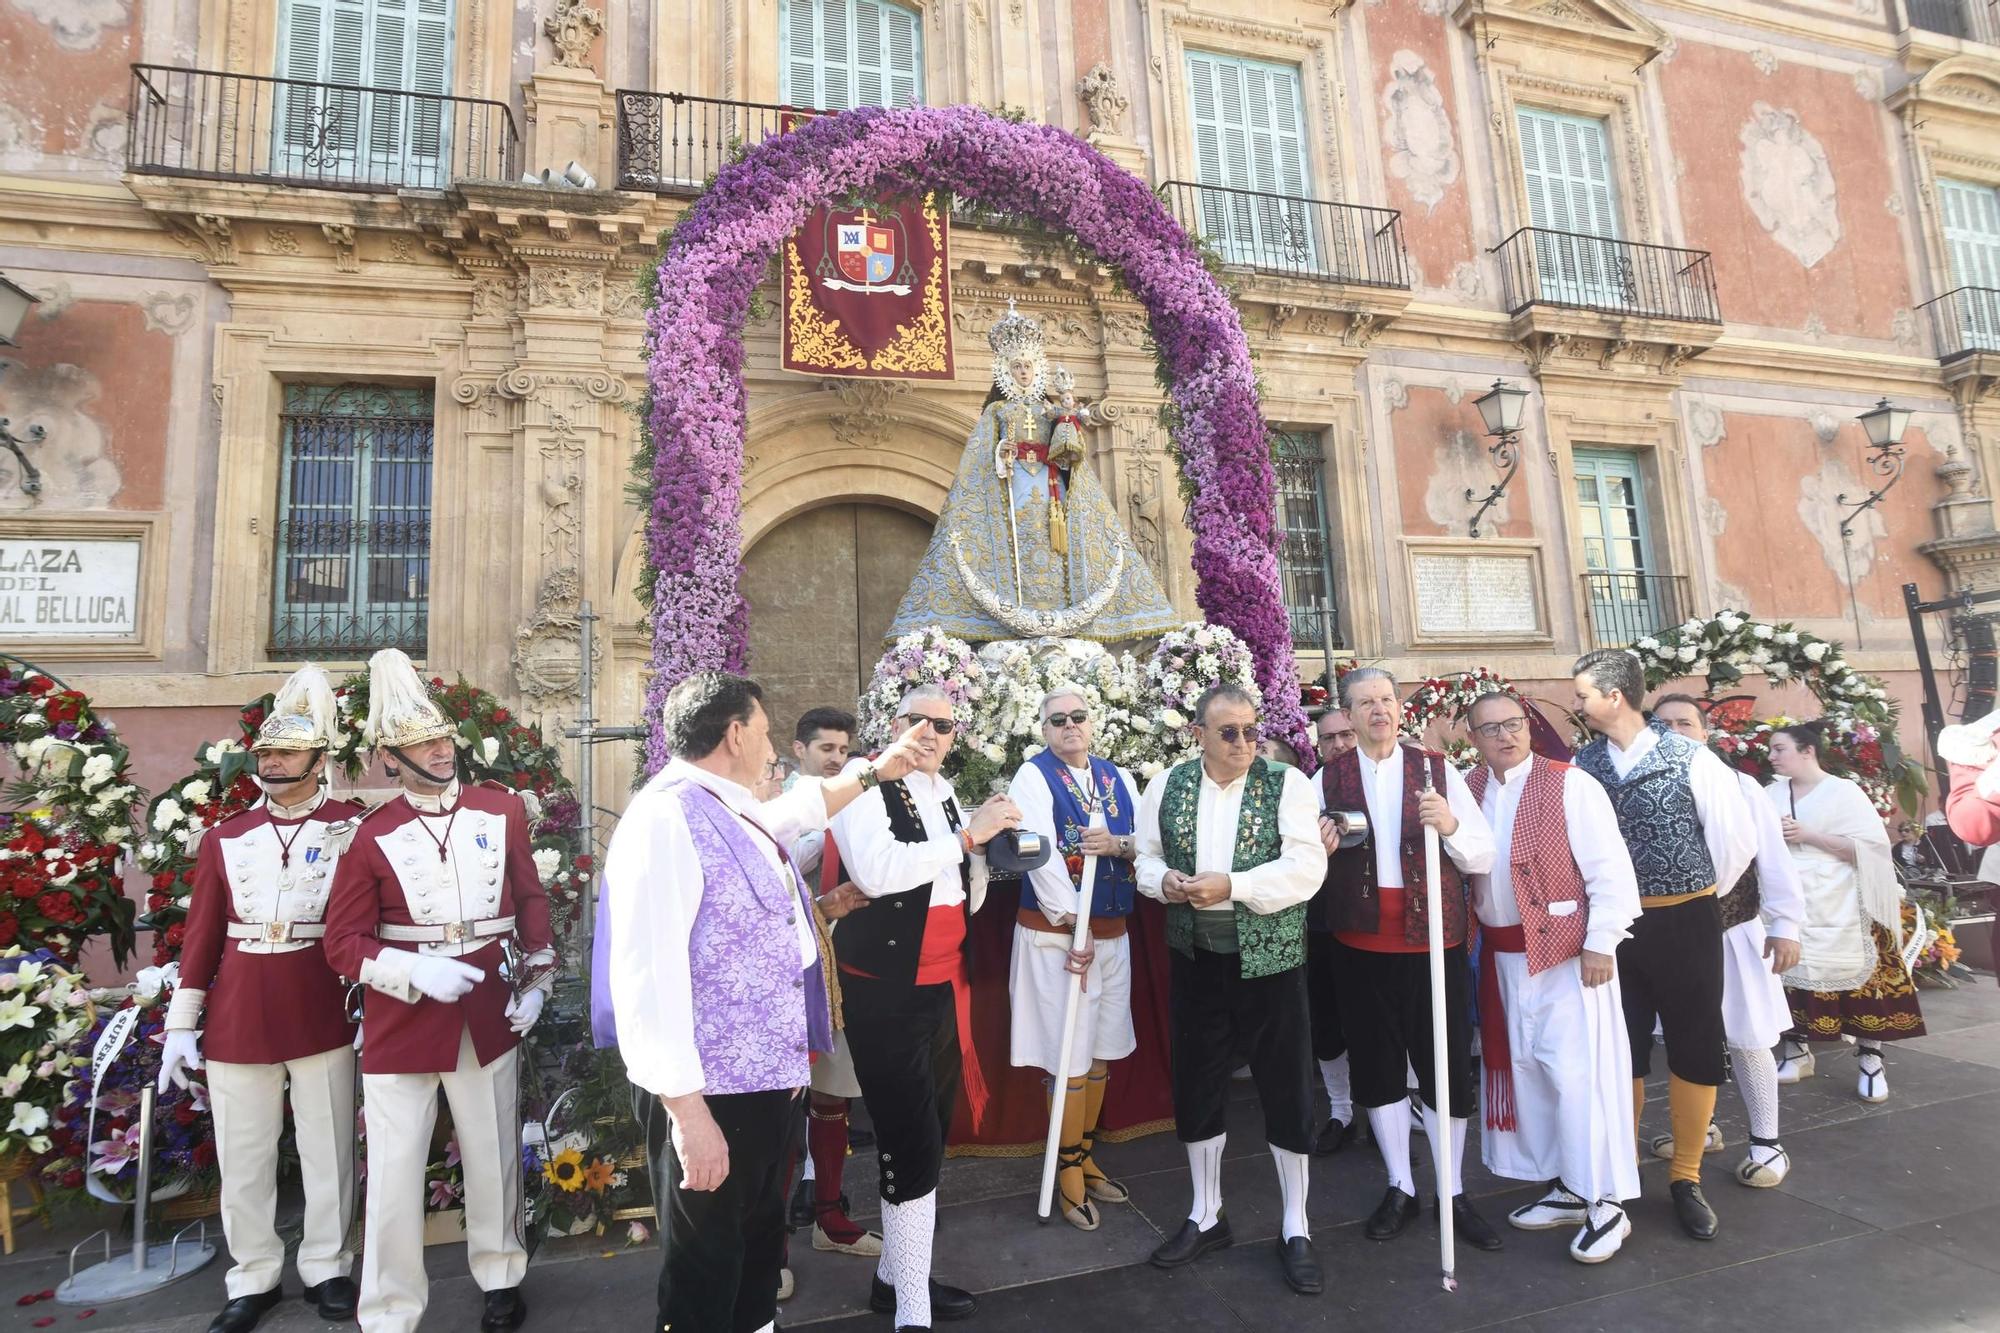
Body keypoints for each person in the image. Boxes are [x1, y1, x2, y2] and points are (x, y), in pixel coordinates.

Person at [597, 677, 929, 1333]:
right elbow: (645, 978)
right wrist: (689, 1115)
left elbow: (804, 808)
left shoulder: (727, 807)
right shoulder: (664, 818)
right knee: (706, 1275)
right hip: (710, 1094)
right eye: (769, 730)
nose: (775, 744)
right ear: (736, 734)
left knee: (751, 1267)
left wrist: (879, 770)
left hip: (763, 1084)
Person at [323, 650, 555, 1333]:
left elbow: (529, 895)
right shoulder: (370, 836)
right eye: (422, 742)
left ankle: (501, 1273)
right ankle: (391, 1306)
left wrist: (539, 978)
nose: (439, 749)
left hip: (489, 1002)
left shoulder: (502, 808)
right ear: (390, 758)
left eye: (442, 737)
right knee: (393, 1173)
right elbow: (342, 943)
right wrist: (412, 970)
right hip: (404, 1013)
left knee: (493, 1153)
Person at [159, 666, 361, 1332]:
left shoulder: (350, 827)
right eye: (266, 752)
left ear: (317, 759)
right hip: (241, 1006)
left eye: (286, 752)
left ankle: (328, 1265)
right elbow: (202, 934)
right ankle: (252, 1275)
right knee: (243, 1154)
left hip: (318, 1000)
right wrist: (183, 1023)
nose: (271, 761)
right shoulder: (226, 837)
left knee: (329, 1146)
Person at [829, 685, 1021, 1332]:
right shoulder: (861, 787)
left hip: (938, 982)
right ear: (894, 722)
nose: (933, 733)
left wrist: (989, 850)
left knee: (930, 1133)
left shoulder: (939, 790)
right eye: (920, 721)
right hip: (885, 988)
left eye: (944, 724)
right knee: (908, 1139)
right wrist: (969, 835)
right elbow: (882, 872)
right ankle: (911, 1309)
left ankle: (895, 1279)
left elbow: (955, 883)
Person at [1135, 683, 1330, 1295]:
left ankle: (1295, 1224)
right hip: (1197, 955)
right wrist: (1164, 881)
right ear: (1198, 734)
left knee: (1286, 1083)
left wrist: (1234, 887)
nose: (1245, 742)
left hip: (1271, 957)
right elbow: (1144, 856)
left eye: (1251, 729)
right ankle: (1205, 1212)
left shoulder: (1286, 783)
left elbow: (1306, 867)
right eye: (1228, 732)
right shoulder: (1167, 783)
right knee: (1197, 1080)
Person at [1570, 650, 1754, 1244]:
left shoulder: (1692, 759)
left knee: (1694, 1040)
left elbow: (1733, 843)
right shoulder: (1582, 764)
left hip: (1685, 922)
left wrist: (1689, 893)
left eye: (1583, 694)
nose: (1577, 704)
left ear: (1615, 696)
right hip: (1614, 931)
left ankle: (1686, 1175)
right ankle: (1622, 1176)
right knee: (1618, 1044)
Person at [1320, 668, 1500, 1252]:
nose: (1379, 711)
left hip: (1433, 943)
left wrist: (1448, 824)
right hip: (1361, 945)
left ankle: (1452, 1190)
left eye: (1387, 700)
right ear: (1345, 716)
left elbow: (1481, 855)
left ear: (1400, 709)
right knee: (1377, 1068)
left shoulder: (1439, 771)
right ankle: (1400, 1184)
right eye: (1365, 703)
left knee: (1442, 1065)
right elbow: (1298, 860)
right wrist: (1316, 845)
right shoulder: (1324, 779)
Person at [1460, 691, 1641, 1264]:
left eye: (1513, 724)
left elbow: (1611, 869)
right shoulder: (1467, 790)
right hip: (1503, 959)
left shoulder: (1570, 783)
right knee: (1530, 1070)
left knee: (1579, 1076)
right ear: (1473, 738)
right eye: (1490, 729)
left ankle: (1607, 1202)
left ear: (1529, 727)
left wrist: (1600, 942)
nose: (1504, 736)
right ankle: (1569, 1184)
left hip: (1569, 958)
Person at [886, 300, 1178, 642]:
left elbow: (1070, 451)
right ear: (1005, 370)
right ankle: (1012, 606)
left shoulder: (1048, 410)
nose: (1023, 372)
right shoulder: (997, 411)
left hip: (1050, 484)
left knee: (1053, 539)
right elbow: (979, 459)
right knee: (1018, 536)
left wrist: (1068, 415)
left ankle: (1060, 604)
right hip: (1013, 483)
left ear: (1036, 368)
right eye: (1016, 366)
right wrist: (1001, 454)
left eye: (1027, 366)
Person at [1652, 695, 1804, 1187]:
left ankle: (1767, 1141)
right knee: (1687, 1036)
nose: (1673, 731)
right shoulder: (1643, 787)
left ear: (1705, 730)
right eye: (1663, 724)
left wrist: (1785, 925)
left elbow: (1773, 859)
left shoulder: (1740, 786)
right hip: (1673, 936)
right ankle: (1703, 1129)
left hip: (1733, 930)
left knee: (1748, 1034)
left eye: (1684, 722)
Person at [1006, 689, 1140, 1231]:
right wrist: (1070, 922)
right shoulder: (1032, 777)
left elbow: (1144, 844)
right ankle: (1065, 1174)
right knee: (1069, 1055)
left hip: (1112, 934)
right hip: (1059, 939)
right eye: (1057, 720)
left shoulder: (1118, 777)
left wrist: (1123, 844)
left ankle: (1084, 1154)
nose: (1069, 726)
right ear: (1043, 729)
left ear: (1092, 723)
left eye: (1077, 717)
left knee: (1102, 1049)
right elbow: (1037, 853)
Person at [1765, 723, 1924, 1100]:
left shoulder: (1844, 792)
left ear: (1807, 751)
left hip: (1846, 903)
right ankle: (1797, 1051)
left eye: (1779, 749)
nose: (1771, 757)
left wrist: (1810, 836)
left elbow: (1872, 849)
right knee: (1788, 977)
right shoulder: (1769, 793)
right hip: (1790, 902)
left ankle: (1871, 1059)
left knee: (1863, 982)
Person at [784, 707, 884, 1261]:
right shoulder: (781, 802)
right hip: (784, 973)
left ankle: (829, 1214)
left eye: (844, 751)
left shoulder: (853, 797)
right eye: (826, 749)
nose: (836, 760)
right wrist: (826, 829)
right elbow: (779, 865)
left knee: (832, 1093)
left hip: (839, 968)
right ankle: (771, 1250)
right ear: (798, 750)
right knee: (779, 1105)